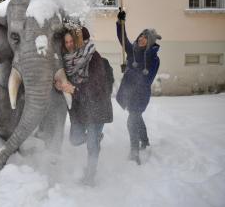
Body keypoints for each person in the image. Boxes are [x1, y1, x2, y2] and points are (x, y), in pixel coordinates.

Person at [57, 28, 114, 185]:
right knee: (75, 139)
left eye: (71, 41)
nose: (69, 45)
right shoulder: (68, 60)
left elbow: (96, 86)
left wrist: (73, 89)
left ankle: (90, 175)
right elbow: (66, 83)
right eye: (66, 42)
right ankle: (95, 137)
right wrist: (60, 84)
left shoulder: (92, 57)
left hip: (97, 106)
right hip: (81, 109)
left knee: (91, 145)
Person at [116, 10, 161, 165]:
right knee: (136, 117)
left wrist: (129, 70)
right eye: (141, 36)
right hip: (129, 92)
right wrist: (120, 23)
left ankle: (134, 151)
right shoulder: (132, 51)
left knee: (132, 120)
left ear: (149, 42)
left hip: (141, 95)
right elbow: (123, 40)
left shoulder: (154, 59)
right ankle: (145, 140)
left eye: (145, 38)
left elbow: (146, 79)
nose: (141, 39)